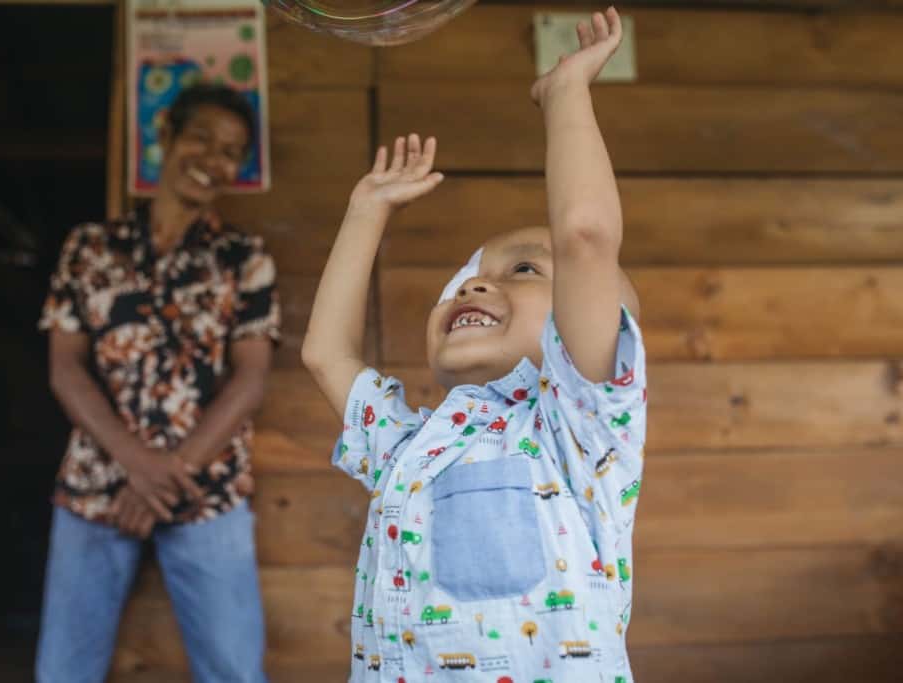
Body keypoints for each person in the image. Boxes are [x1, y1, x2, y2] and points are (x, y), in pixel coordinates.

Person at [302, 7, 645, 681]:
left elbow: (583, 238)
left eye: (520, 269)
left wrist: (566, 92)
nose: (471, 289)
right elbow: (326, 355)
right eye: (461, 281)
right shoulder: (409, 445)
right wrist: (365, 211)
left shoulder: (578, 431)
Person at [35, 83, 278, 683]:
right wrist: (136, 462)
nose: (214, 160)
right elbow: (65, 367)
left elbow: (249, 381)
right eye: (201, 138)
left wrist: (160, 479)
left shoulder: (243, 257)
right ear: (165, 135)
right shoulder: (90, 249)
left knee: (234, 671)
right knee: (63, 670)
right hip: (96, 483)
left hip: (207, 488)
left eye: (231, 151)